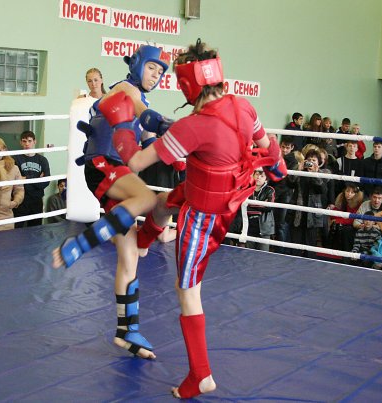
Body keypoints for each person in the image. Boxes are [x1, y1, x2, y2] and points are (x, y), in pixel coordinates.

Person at [103, 39, 287, 398]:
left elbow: (135, 162)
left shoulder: (193, 126)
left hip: (204, 217)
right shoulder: (243, 106)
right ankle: (144, 242)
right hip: (223, 198)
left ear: (188, 83)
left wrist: (121, 124)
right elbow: (268, 146)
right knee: (164, 201)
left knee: (187, 290)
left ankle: (201, 374)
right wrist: (277, 166)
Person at [51, 44, 172, 360]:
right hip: (103, 163)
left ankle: (126, 331)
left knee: (129, 255)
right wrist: (166, 125)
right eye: (152, 68)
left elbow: (149, 147)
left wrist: (179, 151)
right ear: (137, 66)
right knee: (147, 197)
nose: (156, 75)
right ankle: (81, 243)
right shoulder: (125, 88)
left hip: (117, 174)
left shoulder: (142, 102)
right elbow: (141, 111)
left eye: (161, 72)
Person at [13, 130, 50, 227]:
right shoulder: (16, 159)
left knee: (35, 230)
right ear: (21, 142)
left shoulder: (42, 160)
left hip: (36, 200)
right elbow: (15, 181)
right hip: (21, 199)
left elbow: (45, 182)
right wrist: (37, 179)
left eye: (29, 141)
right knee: (17, 230)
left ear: (34, 142)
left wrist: (26, 178)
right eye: (24, 141)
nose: (27, 144)